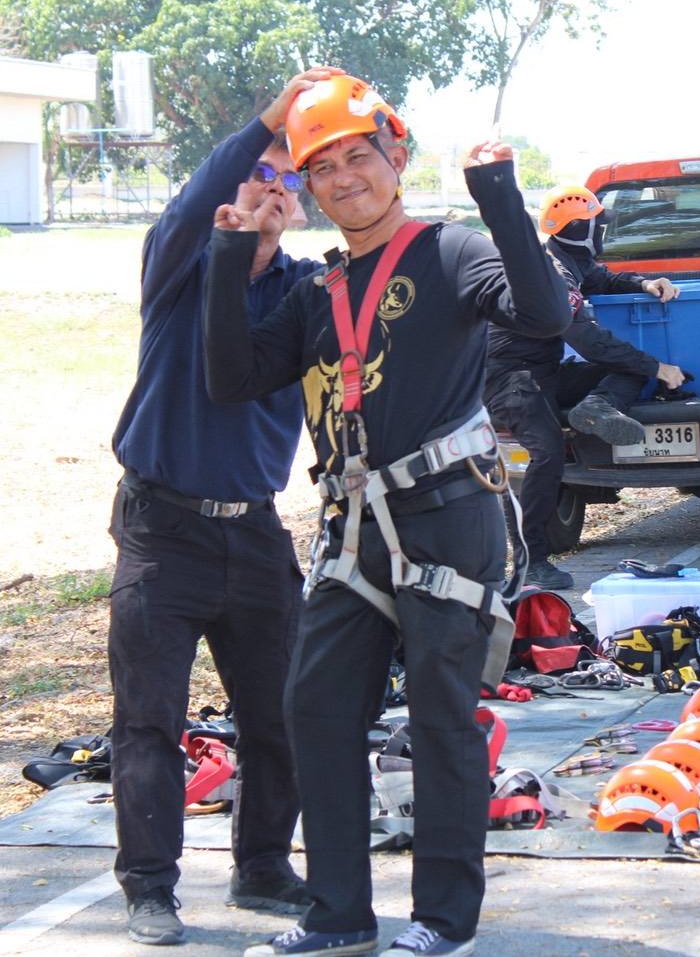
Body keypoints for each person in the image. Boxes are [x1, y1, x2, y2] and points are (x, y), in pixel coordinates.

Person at [203, 73, 568, 957]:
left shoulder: (449, 253)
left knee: (440, 719)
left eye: (357, 157)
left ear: (395, 157)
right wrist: (229, 253)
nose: (343, 179)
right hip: (354, 528)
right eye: (322, 167)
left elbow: (544, 315)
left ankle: (444, 919)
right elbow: (231, 377)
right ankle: (339, 915)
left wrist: (499, 196)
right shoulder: (317, 290)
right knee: (315, 709)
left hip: (447, 516)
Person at [106, 69, 338, 946]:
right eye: (259, 174)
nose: (271, 190)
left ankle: (263, 867)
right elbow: (197, 197)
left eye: (288, 181)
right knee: (149, 720)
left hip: (255, 531)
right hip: (162, 529)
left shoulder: (307, 293)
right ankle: (149, 888)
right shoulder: (180, 269)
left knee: (284, 711)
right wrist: (270, 119)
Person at [484, 185, 685, 590]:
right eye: (598, 224)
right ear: (580, 228)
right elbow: (588, 342)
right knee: (546, 452)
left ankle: (597, 405)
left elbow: (603, 278)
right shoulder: (552, 274)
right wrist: (659, 367)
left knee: (632, 369)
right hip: (509, 378)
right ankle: (531, 563)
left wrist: (644, 283)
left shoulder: (570, 260)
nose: (603, 231)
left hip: (542, 371)